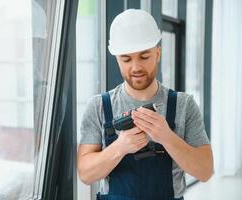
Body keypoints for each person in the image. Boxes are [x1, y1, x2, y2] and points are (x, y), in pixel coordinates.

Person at [77, 9, 213, 200]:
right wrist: (120, 147)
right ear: (117, 59)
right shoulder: (99, 106)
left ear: (157, 53)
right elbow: (85, 174)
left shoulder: (184, 105)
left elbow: (205, 171)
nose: (135, 67)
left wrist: (167, 137)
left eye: (144, 56)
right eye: (126, 59)